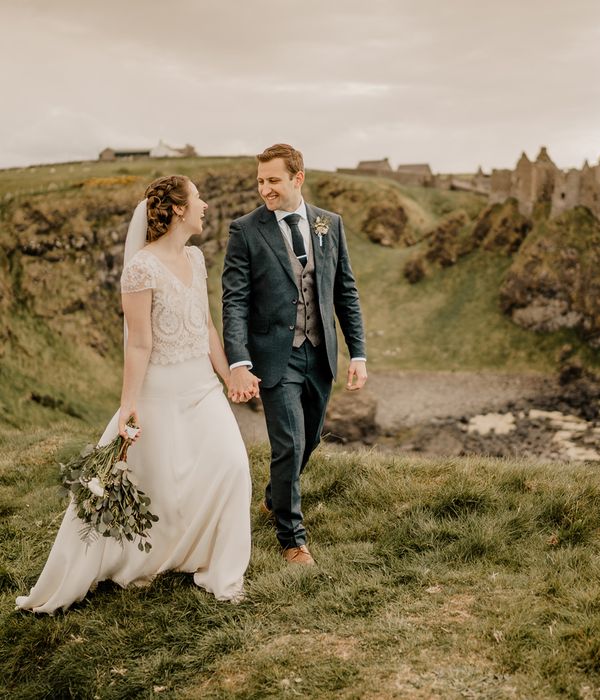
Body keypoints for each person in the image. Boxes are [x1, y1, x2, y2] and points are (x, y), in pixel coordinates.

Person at [16, 176, 251, 613]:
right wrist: (128, 406)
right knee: (161, 483)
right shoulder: (140, 268)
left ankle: (221, 570)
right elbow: (138, 343)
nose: (205, 205)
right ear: (179, 209)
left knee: (233, 467)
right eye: (197, 198)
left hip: (203, 388)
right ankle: (151, 556)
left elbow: (206, 327)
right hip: (161, 391)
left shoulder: (197, 259)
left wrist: (230, 373)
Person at [223, 144, 366, 565]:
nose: (265, 189)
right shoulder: (245, 230)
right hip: (274, 357)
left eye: (273, 180)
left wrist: (358, 353)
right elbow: (235, 299)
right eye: (260, 181)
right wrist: (239, 360)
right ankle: (292, 539)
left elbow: (346, 292)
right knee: (289, 442)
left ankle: (274, 497)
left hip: (320, 354)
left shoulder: (329, 224)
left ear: (297, 178)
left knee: (311, 437)